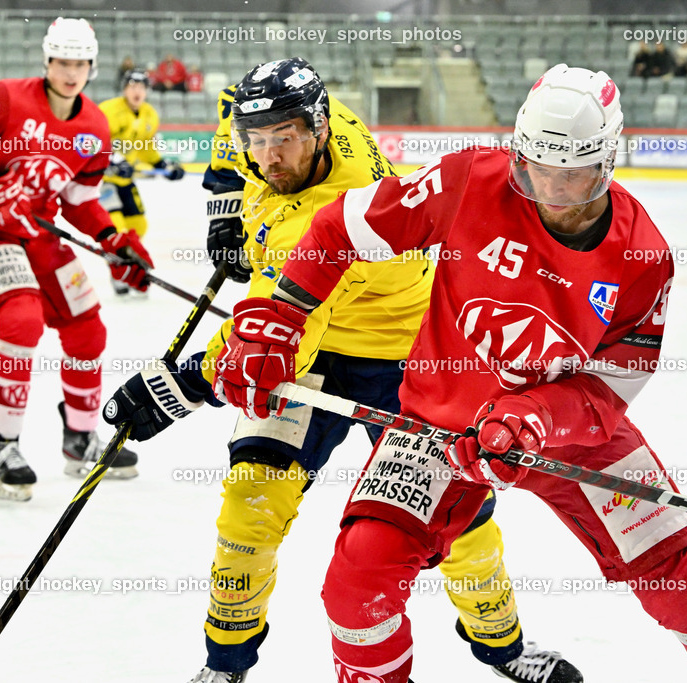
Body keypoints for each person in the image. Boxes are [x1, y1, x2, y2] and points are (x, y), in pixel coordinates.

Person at [207, 63, 687, 683]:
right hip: (438, 425)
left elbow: (611, 389)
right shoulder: (469, 180)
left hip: (566, 436)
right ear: (519, 152)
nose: (555, 191)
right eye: (540, 167)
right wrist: (283, 312)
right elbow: (340, 228)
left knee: (678, 581)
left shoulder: (642, 256)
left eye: (575, 172)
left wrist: (536, 415)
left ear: (608, 161)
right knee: (359, 581)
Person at [103, 58, 582, 683]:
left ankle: (506, 646)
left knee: (460, 520)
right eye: (260, 140)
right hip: (312, 329)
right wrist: (227, 210)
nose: (269, 157)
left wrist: (174, 388)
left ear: (320, 130)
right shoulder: (299, 122)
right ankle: (224, 666)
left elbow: (279, 342)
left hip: (399, 351)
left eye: (285, 140)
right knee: (251, 504)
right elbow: (232, 126)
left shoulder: (334, 214)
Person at [0, 17, 149, 501]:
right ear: (47, 61)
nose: (71, 72)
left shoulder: (93, 126)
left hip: (37, 232)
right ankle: (3, 447)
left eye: (80, 64)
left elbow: (79, 198)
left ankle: (80, 438)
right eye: (62, 62)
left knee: (87, 325)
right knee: (22, 321)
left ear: (92, 67)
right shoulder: (7, 96)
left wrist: (114, 239)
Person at [98, 67, 185, 296]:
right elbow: (93, 142)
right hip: (102, 180)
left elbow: (147, 150)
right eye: (132, 86)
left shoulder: (149, 114)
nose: (136, 91)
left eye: (141, 87)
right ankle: (119, 268)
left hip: (126, 181)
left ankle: (127, 262)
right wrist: (113, 159)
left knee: (139, 226)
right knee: (117, 228)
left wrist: (163, 166)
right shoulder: (108, 111)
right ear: (124, 89)